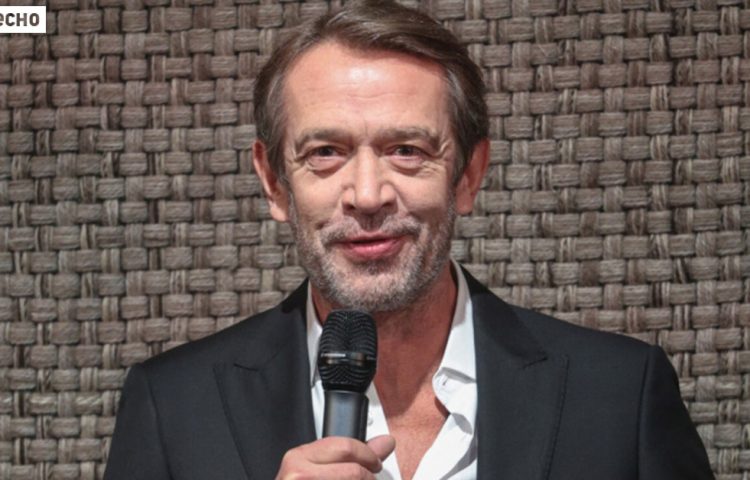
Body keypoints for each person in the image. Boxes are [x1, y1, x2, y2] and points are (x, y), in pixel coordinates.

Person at [104, 1, 714, 479]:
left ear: (468, 174)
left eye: (407, 150)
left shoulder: (618, 393)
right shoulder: (172, 406)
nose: (368, 195)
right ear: (274, 182)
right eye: (326, 152)